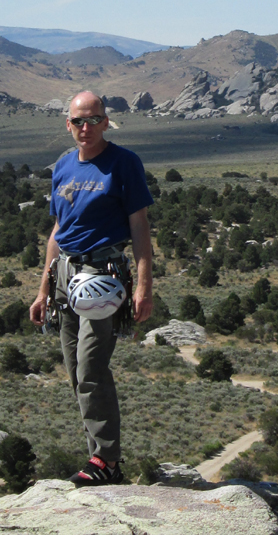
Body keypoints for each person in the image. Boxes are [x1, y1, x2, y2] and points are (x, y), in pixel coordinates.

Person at [29, 91, 153, 487]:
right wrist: (43, 289)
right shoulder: (64, 165)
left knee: (92, 368)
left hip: (103, 275)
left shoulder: (123, 163)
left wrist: (145, 286)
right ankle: (98, 460)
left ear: (106, 122)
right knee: (74, 370)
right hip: (65, 274)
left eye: (93, 120)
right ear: (68, 124)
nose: (86, 128)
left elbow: (139, 227)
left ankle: (107, 461)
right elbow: (57, 232)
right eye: (78, 121)